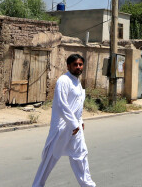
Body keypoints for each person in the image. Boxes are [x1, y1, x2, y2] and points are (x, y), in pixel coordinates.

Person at [33, 54, 96, 187]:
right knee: (49, 159)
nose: (78, 67)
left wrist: (80, 120)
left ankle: (88, 185)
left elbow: (76, 104)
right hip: (62, 127)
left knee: (81, 155)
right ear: (68, 66)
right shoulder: (64, 80)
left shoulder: (77, 82)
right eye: (75, 64)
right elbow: (62, 104)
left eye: (80, 64)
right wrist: (73, 123)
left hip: (75, 127)